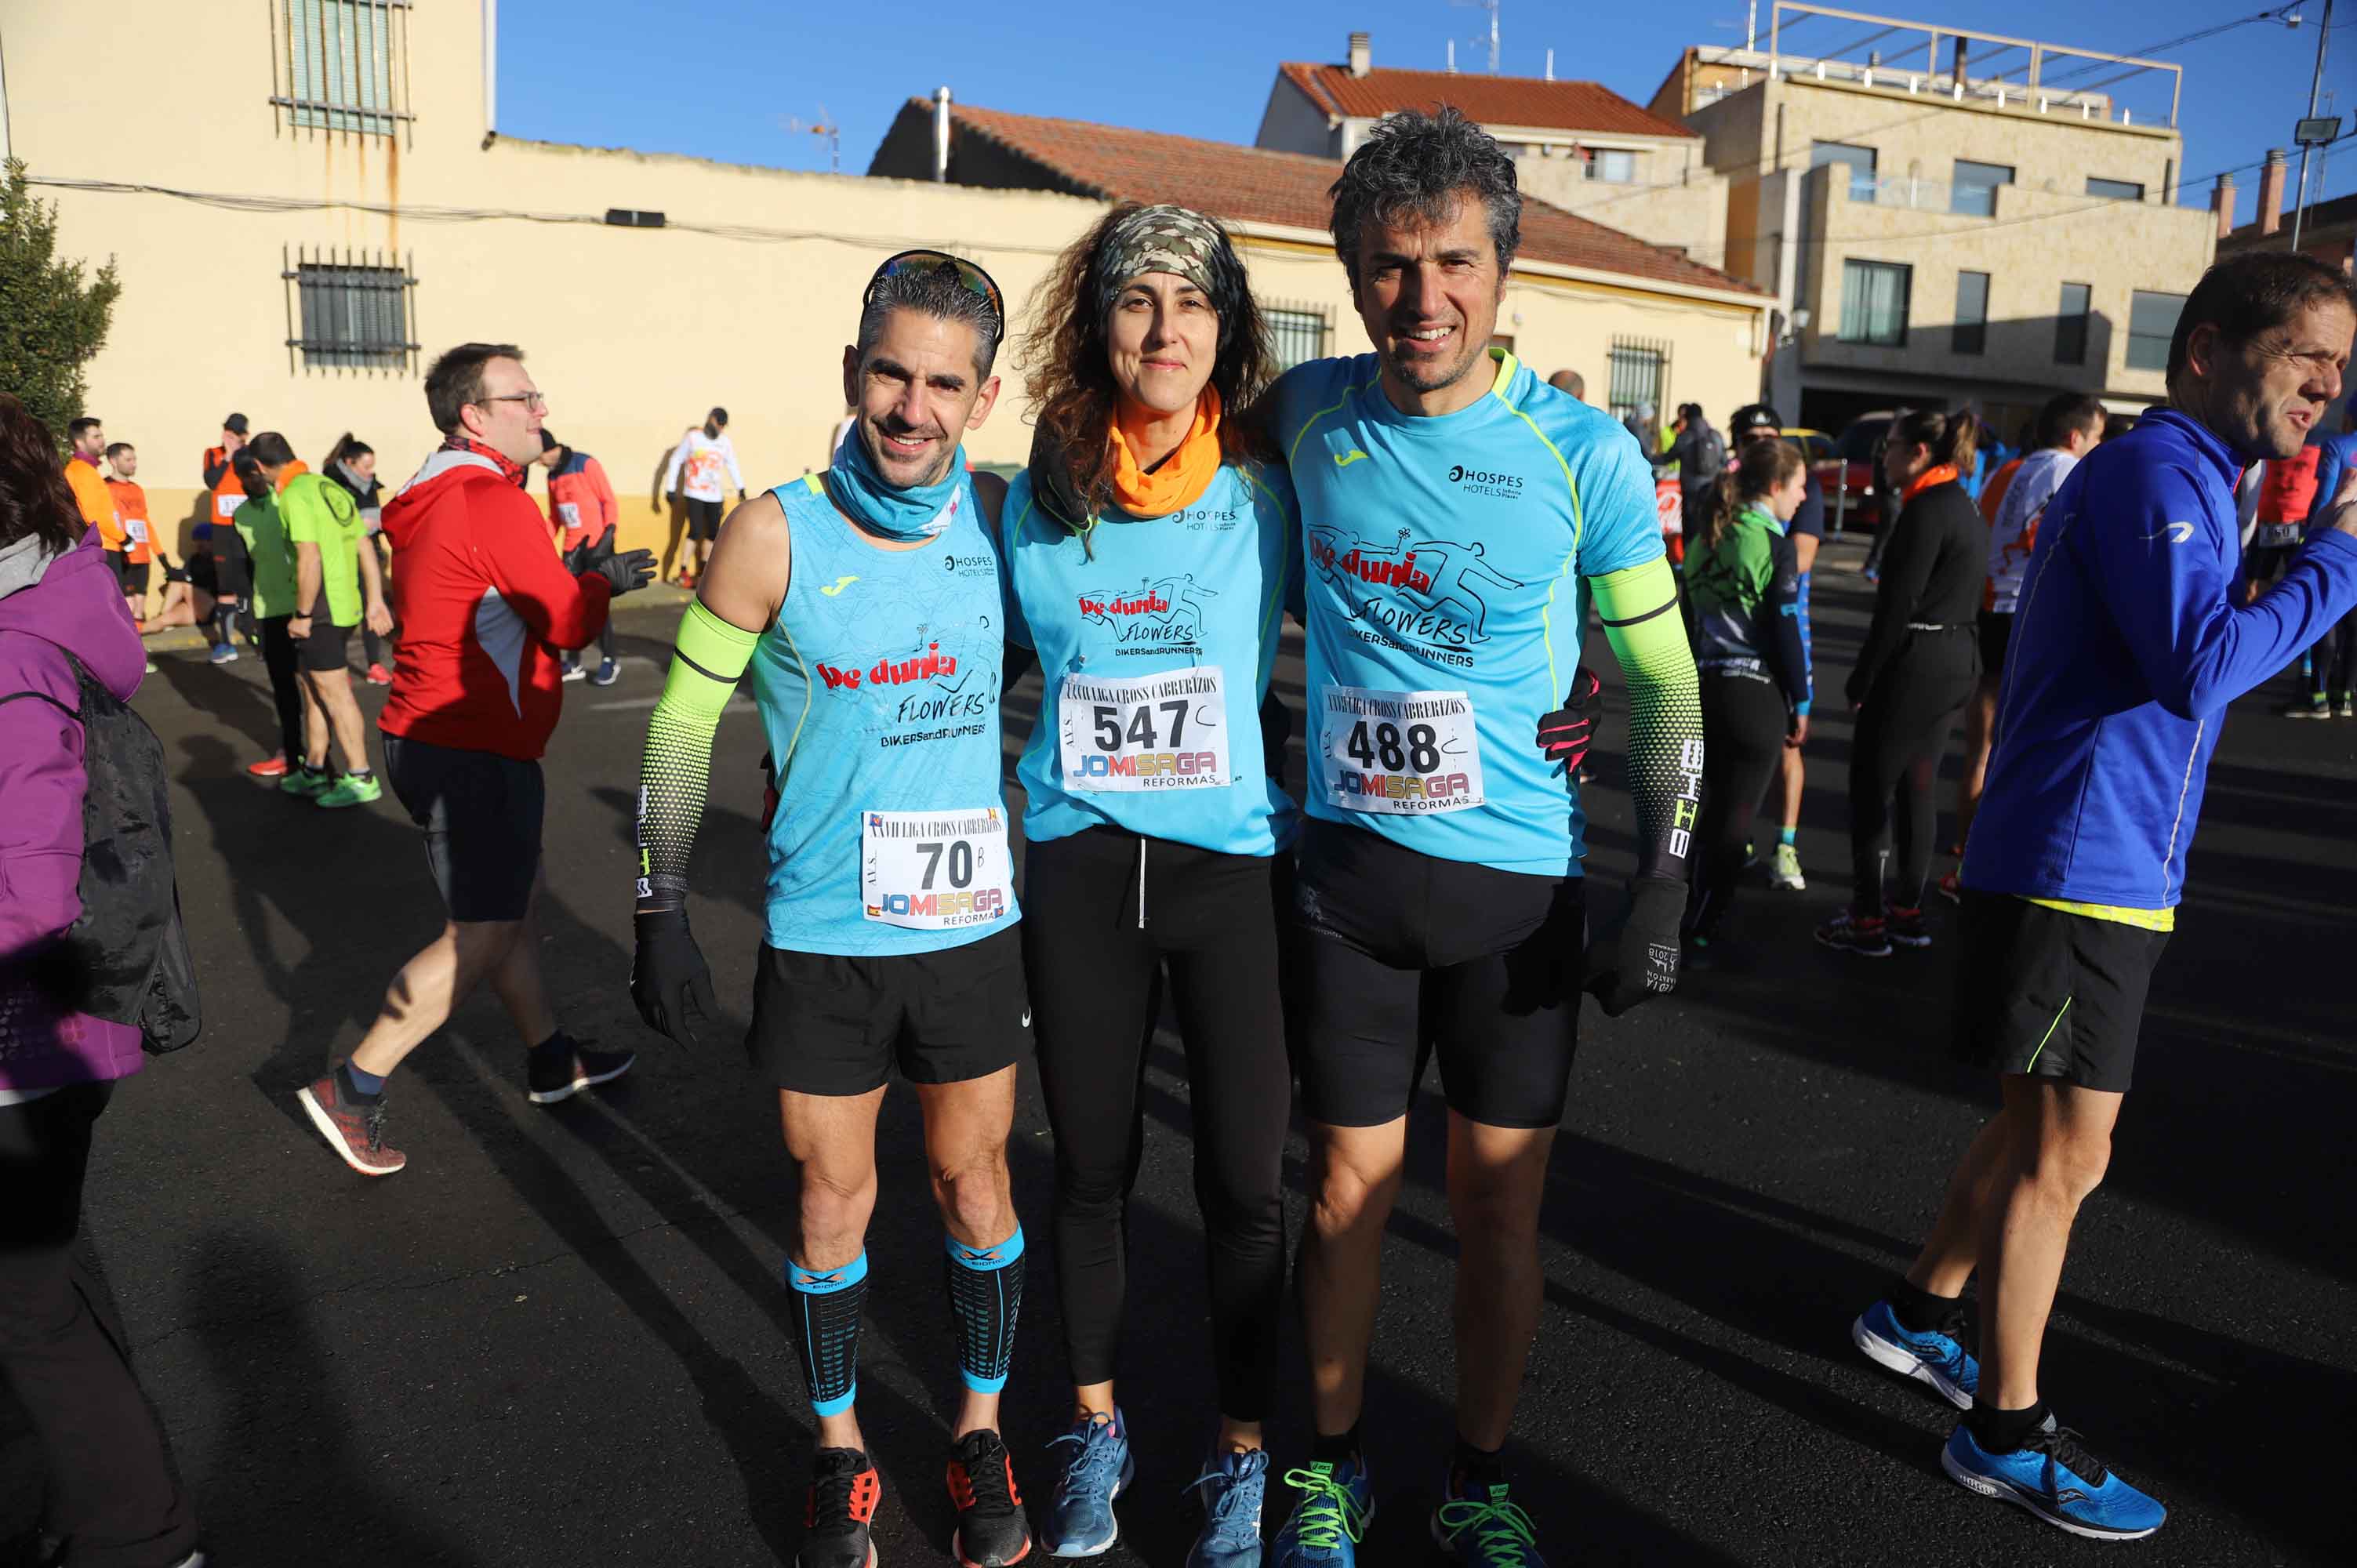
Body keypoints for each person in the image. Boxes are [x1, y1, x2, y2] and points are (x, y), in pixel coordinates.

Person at [1849, 251, 2357, 1542]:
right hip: (2083, 866)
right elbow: (2199, 665)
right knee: (2068, 1155)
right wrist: (2340, 563)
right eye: (2306, 356)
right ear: (2207, 350)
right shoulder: (2157, 473)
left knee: (2034, 1135)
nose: (2327, 386)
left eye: (2341, 368)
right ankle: (2003, 1431)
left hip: (2090, 855)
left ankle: (1916, 1314)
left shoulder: (2184, 479)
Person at [1261, 108, 1701, 1568]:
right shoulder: (1307, 413)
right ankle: (1328, 1467)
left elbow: (1664, 683)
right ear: (1353, 273)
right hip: (1348, 892)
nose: (1423, 297)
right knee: (1340, 1195)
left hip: (1517, 896)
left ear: (1504, 271)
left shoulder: (1585, 453)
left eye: (1454, 261)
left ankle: (1481, 1474)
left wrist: (1669, 878)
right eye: (1390, 267)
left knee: (1500, 1214)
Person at [630, 254, 1035, 1568]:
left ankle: (978, 1432)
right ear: (851, 372)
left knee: (976, 1184)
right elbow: (684, 726)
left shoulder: (1004, 520)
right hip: (823, 941)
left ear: (980, 398)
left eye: (942, 384)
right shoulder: (771, 529)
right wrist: (657, 902)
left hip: (968, 932)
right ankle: (839, 1448)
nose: (910, 408)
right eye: (889, 374)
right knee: (829, 1199)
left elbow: (1136, 634)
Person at [999, 205, 1296, 1566]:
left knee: (1244, 1183)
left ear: (1225, 328)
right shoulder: (1036, 501)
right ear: (1099, 325)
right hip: (1078, 871)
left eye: (1192, 301)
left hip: (1226, 872)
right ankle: (1096, 1425)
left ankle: (1242, 1454)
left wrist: (1553, 695)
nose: (1165, 326)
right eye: (1137, 300)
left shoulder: (1267, 497)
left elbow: (1404, 615)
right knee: (1091, 1172)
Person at [295, 343, 652, 1176]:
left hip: (439, 736)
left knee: (508, 912)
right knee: (484, 928)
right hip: (468, 745)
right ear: (474, 415)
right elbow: (563, 621)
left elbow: (497, 595)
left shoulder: (437, 491)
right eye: (523, 395)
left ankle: (549, 1056)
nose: (541, 407)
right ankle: (355, 1083)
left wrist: (578, 576)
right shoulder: (488, 497)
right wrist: (600, 586)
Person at [0, 391, 206, 1568]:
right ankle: (97, 1510)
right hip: (47, 1034)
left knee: (28, 1310)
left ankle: (137, 1532)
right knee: (48, 1285)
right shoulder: (35, 619)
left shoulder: (12, 655)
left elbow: (21, 890)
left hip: (23, 1035)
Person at [1815, 408, 1986, 957]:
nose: (1881, 458)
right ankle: (1907, 911)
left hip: (1917, 660)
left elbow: (1895, 608)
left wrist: (1861, 680)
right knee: (1918, 786)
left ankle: (1868, 918)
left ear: (1918, 453)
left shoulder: (1925, 512)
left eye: (1888, 446)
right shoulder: (1963, 504)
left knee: (1871, 791)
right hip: (1957, 657)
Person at [1937, 393, 2104, 900]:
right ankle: (2012, 870)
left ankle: (1966, 863)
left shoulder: (2003, 472)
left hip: (1987, 612)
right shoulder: (2072, 472)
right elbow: (2053, 543)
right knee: (2036, 749)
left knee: (1981, 749)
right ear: (2076, 438)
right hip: (2032, 619)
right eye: (2097, 438)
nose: (2097, 448)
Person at [1680, 435, 1809, 958]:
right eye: (1799, 488)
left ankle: (1678, 909)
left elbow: (1685, 623)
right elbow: (1784, 631)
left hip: (1702, 685)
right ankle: (1706, 927)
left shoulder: (1707, 533)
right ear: (1776, 487)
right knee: (1735, 819)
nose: (1802, 499)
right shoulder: (1774, 544)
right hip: (1754, 695)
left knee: (1705, 812)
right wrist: (1800, 700)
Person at [249, 432, 390, 808]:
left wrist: (303, 615)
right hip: (345, 604)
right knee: (312, 688)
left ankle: (361, 776)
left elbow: (308, 556)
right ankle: (313, 769)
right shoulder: (330, 487)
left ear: (260, 467)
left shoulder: (295, 495)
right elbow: (365, 544)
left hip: (323, 610)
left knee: (335, 694)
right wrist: (375, 599)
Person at [1727, 404, 1820, 892]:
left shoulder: (1799, 487)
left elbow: (1800, 557)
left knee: (1788, 740)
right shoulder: (1720, 496)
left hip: (1783, 625)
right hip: (1729, 644)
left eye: (1770, 434)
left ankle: (1785, 844)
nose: (1762, 441)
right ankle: (1732, 838)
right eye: (1751, 436)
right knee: (1724, 754)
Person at [225, 452, 307, 780]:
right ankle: (290, 754)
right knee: (284, 688)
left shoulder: (286, 501)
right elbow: (244, 567)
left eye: (258, 474)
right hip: (268, 611)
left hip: (302, 606)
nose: (254, 481)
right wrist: (248, 617)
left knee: (315, 689)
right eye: (248, 477)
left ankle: (321, 758)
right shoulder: (242, 515)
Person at [2283, 401, 2357, 717]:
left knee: (2324, 617)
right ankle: (2345, 696)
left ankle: (2316, 696)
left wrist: (2311, 539)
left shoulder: (2337, 446)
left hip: (2339, 537)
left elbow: (2326, 498)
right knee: (2355, 626)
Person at [540, 428, 623, 685]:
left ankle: (610, 660)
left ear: (549, 450)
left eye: (538, 456)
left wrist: (609, 534)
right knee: (570, 607)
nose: (536, 462)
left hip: (598, 547)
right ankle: (574, 662)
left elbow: (608, 501)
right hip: (572, 551)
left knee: (598, 607)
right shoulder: (552, 476)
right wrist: (540, 543)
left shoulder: (586, 464)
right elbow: (555, 517)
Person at [325, 434, 394, 685]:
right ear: (350, 463)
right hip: (343, 555)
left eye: (372, 467)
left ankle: (374, 664)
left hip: (369, 552)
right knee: (342, 610)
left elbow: (375, 516)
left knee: (372, 607)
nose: (370, 472)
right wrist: (358, 525)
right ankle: (337, 664)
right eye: (366, 467)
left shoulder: (371, 484)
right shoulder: (331, 483)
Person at [661, 405, 746, 586]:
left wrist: (741, 488)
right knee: (696, 530)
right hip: (694, 493)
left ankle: (704, 573)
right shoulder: (693, 439)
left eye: (723, 426)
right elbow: (676, 460)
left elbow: (732, 464)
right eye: (719, 423)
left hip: (715, 496)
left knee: (713, 534)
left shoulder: (725, 443)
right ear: (710, 419)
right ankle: (683, 571)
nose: (721, 428)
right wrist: (670, 488)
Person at [200, 420, 252, 666]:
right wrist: (228, 456)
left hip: (246, 527)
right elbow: (212, 482)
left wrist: (241, 453)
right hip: (221, 529)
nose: (230, 438)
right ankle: (226, 643)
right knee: (225, 586)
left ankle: (258, 637)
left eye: (237, 435)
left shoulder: (250, 456)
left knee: (250, 583)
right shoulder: (213, 454)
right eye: (228, 433)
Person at [104, 441, 156, 626]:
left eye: (134, 459)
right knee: (127, 605)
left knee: (140, 608)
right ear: (113, 461)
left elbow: (145, 522)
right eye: (128, 459)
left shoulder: (137, 489)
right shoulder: (106, 488)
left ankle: (139, 650)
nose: (133, 464)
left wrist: (160, 554)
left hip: (142, 555)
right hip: (122, 554)